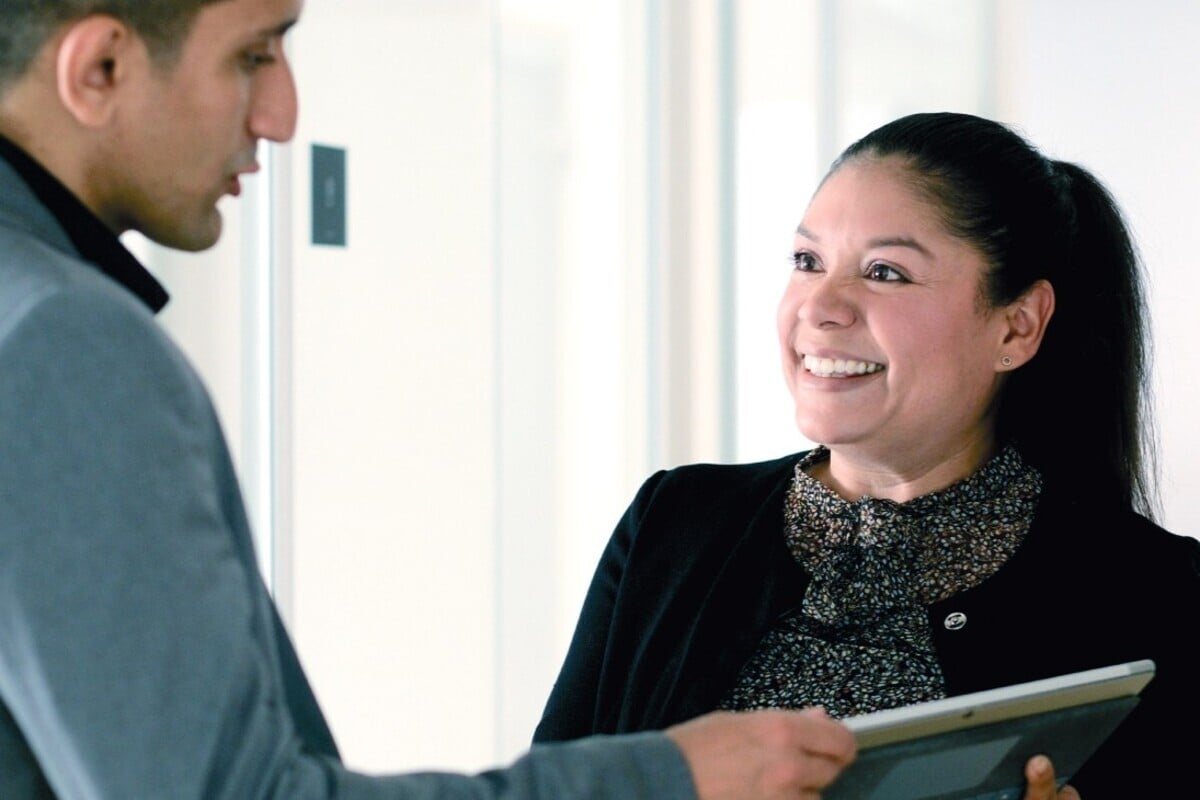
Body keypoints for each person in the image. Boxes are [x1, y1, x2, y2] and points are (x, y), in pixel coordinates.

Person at [0, 1, 861, 797]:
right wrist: (667, 778)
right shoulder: (65, 338)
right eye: (253, 54)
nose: (283, 115)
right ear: (100, 69)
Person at [534, 111, 1200, 798]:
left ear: (1017, 325)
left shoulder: (1161, 596)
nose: (820, 306)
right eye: (807, 261)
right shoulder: (672, 522)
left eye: (885, 272)